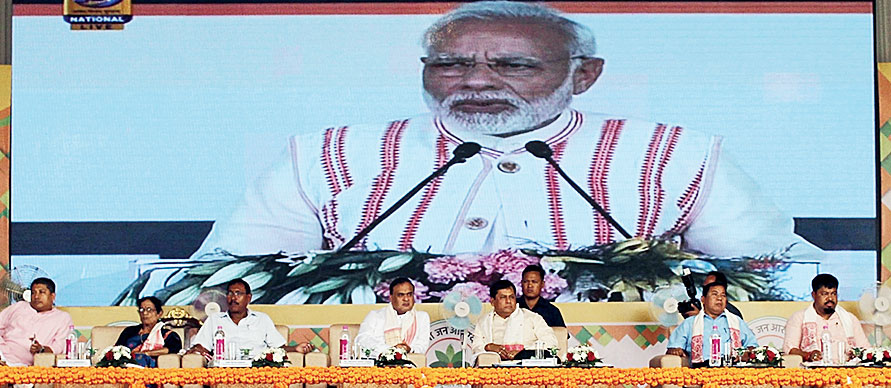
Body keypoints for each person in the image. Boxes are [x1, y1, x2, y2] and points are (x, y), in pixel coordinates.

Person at [190, 1, 819, 261]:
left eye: (514, 65)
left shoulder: (677, 155)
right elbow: (220, 280)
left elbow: (775, 276)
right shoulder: (326, 154)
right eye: (452, 64)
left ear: (587, 75)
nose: (476, 82)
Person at [187, 278, 312, 360]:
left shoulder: (262, 319)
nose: (233, 298)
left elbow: (278, 348)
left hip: (257, 371)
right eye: (230, 293)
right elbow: (202, 346)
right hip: (224, 372)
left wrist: (295, 348)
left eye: (238, 293)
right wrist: (196, 349)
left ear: (249, 298)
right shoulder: (215, 320)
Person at [666, 279, 758, 367]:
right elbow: (673, 348)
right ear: (703, 299)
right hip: (701, 370)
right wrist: (675, 350)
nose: (719, 298)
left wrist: (747, 352)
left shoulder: (737, 322)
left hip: (733, 370)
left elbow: (753, 347)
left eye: (723, 295)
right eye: (715, 294)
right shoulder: (690, 323)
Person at [783, 274, 868, 362]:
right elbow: (789, 349)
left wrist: (856, 354)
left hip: (847, 371)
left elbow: (865, 349)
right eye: (825, 294)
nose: (830, 298)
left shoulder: (850, 319)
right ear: (814, 295)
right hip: (811, 373)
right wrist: (808, 355)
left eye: (833, 293)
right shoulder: (799, 318)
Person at [472, 280, 557, 360]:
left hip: (526, 368)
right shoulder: (483, 322)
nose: (508, 301)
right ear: (492, 301)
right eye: (503, 297)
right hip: (493, 369)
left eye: (512, 297)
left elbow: (550, 342)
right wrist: (489, 347)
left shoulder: (532, 318)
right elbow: (476, 347)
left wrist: (524, 352)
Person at [0, 278, 74, 366]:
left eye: (41, 292)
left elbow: (59, 347)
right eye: (33, 293)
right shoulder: (19, 306)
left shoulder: (62, 318)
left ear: (53, 296)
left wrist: (41, 349)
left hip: (22, 366)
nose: (36, 297)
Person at [355, 278, 430, 358]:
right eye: (401, 295)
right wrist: (390, 350)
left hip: (411, 364)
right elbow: (362, 340)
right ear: (391, 297)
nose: (406, 299)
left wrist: (408, 349)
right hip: (379, 364)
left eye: (409, 294)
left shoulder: (421, 317)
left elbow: (422, 346)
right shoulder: (375, 316)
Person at [114, 296, 182, 368]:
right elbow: (117, 349)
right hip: (125, 367)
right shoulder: (129, 331)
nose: (145, 313)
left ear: (159, 314)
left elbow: (174, 349)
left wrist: (146, 353)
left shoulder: (167, 334)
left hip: (149, 369)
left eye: (149, 309)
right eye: (141, 309)